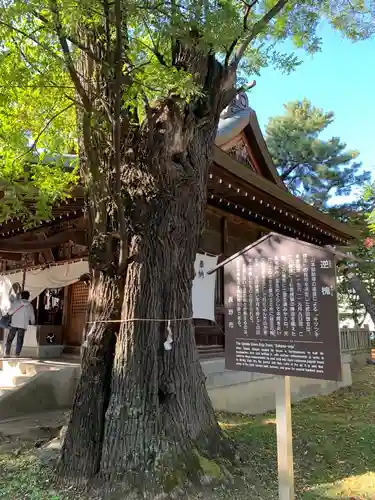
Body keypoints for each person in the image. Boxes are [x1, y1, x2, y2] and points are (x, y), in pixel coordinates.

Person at [5, 291, 35, 357]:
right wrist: (33, 322)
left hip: (14, 324)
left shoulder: (17, 302)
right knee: (20, 339)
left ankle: (7, 353)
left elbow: (10, 312)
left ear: (21, 296)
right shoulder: (30, 305)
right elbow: (32, 316)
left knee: (10, 338)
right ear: (28, 297)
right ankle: (17, 354)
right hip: (23, 325)